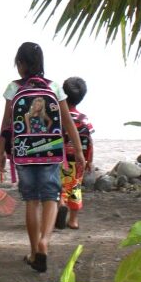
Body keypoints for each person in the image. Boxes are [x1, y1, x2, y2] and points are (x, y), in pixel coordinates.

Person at [0, 42, 86, 273]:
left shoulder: (14, 88)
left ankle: (34, 251)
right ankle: (45, 241)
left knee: (31, 200)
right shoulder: (54, 87)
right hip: (51, 150)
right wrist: (78, 151)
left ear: (20, 63)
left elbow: (6, 123)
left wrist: (1, 152)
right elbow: (67, 121)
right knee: (50, 197)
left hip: (24, 151)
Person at [56, 77, 94, 231]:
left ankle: (60, 204)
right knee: (75, 187)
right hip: (78, 160)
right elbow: (89, 141)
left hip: (59, 159)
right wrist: (89, 160)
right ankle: (73, 220)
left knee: (59, 186)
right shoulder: (84, 119)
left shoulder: (57, 116)